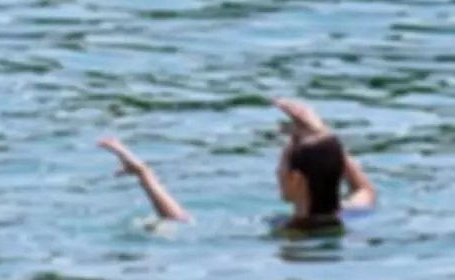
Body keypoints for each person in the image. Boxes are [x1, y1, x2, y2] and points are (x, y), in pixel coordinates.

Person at [98, 98, 377, 233]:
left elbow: (182, 224)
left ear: (296, 181)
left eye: (281, 167)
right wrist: (321, 133)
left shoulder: (287, 234)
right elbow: (363, 189)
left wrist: (145, 176)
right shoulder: (352, 214)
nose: (276, 173)